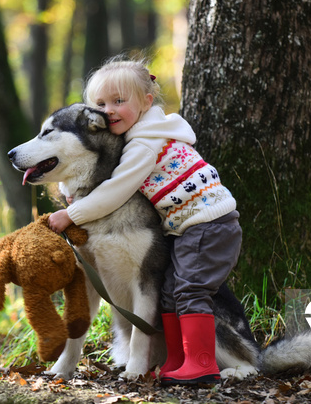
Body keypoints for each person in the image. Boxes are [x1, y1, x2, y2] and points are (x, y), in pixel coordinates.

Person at [48, 57, 242, 385]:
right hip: (188, 226)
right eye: (100, 103)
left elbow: (117, 188)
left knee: (190, 289)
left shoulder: (144, 143)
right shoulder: (146, 132)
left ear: (146, 102)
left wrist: (72, 213)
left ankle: (203, 363)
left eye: (119, 101)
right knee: (168, 291)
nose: (108, 110)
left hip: (209, 224)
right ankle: (176, 360)